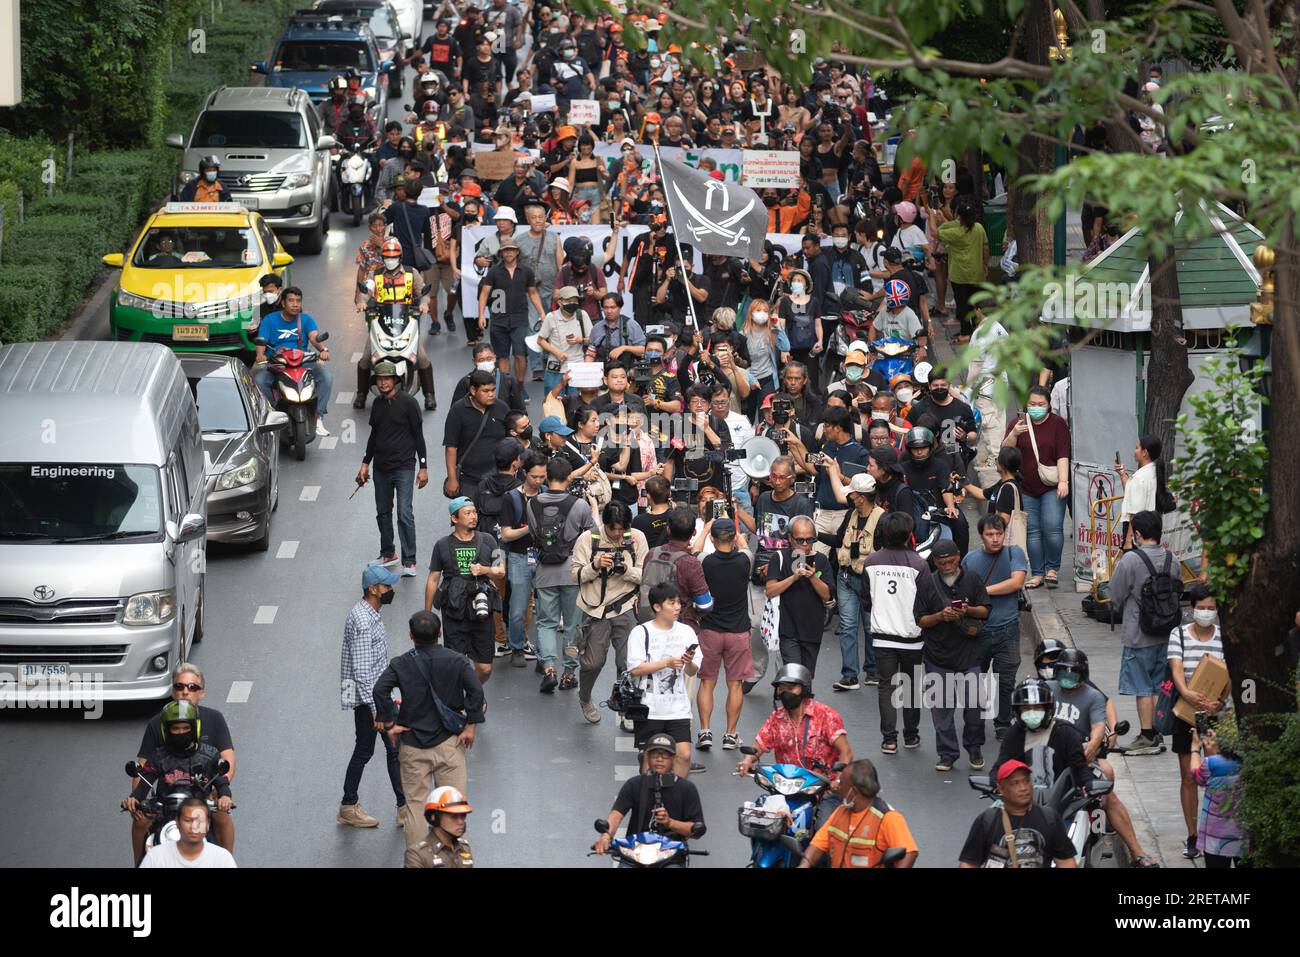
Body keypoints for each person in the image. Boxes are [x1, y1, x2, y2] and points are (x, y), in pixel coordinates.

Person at [373, 611, 486, 850]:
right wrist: (471, 726)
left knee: (415, 806)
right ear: (440, 633)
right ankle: (450, 859)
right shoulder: (457, 661)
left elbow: (380, 690)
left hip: (413, 746)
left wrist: (390, 723)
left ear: (411, 635)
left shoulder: (401, 663)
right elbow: (476, 691)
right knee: (452, 807)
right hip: (450, 745)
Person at [1048, 649, 1160, 867]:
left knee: (1107, 792)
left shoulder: (1093, 697)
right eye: (1063, 672)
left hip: (1079, 760)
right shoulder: (1046, 689)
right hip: (1045, 760)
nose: (1067, 678)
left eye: (1073, 674)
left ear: (1083, 674)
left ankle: (1137, 851)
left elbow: (1098, 728)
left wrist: (1093, 745)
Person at [132, 664, 235, 862]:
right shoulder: (156, 727)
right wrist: (137, 800)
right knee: (140, 820)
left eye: (192, 687)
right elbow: (144, 771)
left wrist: (221, 793)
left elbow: (226, 761)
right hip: (166, 800)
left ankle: (226, 861)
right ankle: (140, 863)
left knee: (223, 817)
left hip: (205, 794)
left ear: (201, 693)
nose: (185, 691)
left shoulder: (214, 721)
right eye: (179, 686)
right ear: (173, 691)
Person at [338, 561, 407, 829]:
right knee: (392, 749)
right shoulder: (364, 621)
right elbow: (363, 670)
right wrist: (377, 708)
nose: (391, 590)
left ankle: (349, 804)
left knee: (367, 749)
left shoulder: (367, 614)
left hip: (374, 697)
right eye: (387, 586)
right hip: (372, 699)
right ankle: (402, 808)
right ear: (373, 589)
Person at [860, 511, 934, 754]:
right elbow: (925, 601)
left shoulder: (871, 562)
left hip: (882, 637)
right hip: (912, 637)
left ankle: (888, 739)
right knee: (911, 687)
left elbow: (866, 600)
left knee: (886, 687)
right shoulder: (919, 564)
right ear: (909, 535)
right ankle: (910, 735)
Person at [1108, 509, 1179, 756]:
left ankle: (1147, 735)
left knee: (1142, 687)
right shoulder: (1173, 559)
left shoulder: (1130, 560)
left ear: (1137, 534)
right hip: (1168, 632)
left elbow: (1115, 594)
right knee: (1161, 685)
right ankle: (1157, 729)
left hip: (1139, 633)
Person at [917, 539, 992, 771]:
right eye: (941, 563)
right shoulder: (927, 584)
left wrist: (966, 610)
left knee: (975, 708)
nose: (947, 566)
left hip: (969, 655)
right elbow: (920, 620)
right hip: (937, 657)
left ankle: (974, 746)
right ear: (935, 562)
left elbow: (985, 611)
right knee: (941, 712)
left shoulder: (972, 579)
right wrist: (940, 616)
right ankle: (947, 754)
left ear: (959, 557)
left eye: (950, 561)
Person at [1168, 583, 1231, 859]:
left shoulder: (1223, 636)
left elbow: (1229, 673)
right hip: (1186, 712)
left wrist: (1220, 702)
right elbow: (1176, 667)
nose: (1206, 613)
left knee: (1217, 774)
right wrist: (1186, 693)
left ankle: (1217, 831)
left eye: (1211, 608)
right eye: (1201, 608)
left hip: (1216, 715)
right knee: (1188, 777)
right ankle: (1193, 835)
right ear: (1191, 609)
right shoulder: (1178, 634)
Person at [573, 501, 650, 723]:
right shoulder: (588, 539)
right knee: (592, 663)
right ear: (605, 524)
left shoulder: (637, 538)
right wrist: (595, 566)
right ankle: (585, 697)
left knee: (627, 662)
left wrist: (626, 570)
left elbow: (644, 574)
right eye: (613, 529)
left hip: (626, 606)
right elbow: (575, 575)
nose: (617, 534)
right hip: (595, 610)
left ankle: (625, 704)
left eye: (622, 529)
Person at [423, 497, 505, 685]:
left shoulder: (489, 540)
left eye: (475, 512)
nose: (473, 516)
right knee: (455, 665)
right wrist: (427, 615)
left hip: (482, 610)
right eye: (467, 513)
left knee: (485, 668)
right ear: (454, 519)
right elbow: (433, 578)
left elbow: (500, 571)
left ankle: (472, 691)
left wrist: (485, 570)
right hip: (454, 609)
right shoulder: (442, 544)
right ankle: (463, 699)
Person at [356, 363, 428, 577]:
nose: (383, 382)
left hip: (404, 466)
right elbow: (374, 436)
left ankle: (410, 560)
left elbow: (418, 436)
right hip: (381, 468)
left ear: (396, 380)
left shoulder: (409, 403)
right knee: (383, 512)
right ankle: (388, 553)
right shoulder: (377, 404)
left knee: (404, 513)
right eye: (379, 379)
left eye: (387, 378)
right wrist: (365, 463)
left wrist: (423, 467)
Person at [960, 514, 1029, 740]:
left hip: (1007, 628)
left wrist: (984, 591)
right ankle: (974, 722)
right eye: (990, 534)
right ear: (982, 536)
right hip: (977, 630)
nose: (995, 539)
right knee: (974, 680)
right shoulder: (970, 559)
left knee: (1006, 680)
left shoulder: (1014, 553)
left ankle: (1002, 722)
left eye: (999, 533)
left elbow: (1016, 582)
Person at [530, 456, 594, 693]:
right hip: (573, 571)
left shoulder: (532, 503)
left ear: (547, 476)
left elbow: (534, 533)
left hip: (544, 571)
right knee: (572, 625)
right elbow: (591, 536)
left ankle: (549, 668)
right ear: (569, 477)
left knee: (545, 623)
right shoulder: (579, 505)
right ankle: (569, 672)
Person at [626, 584, 700, 777]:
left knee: (684, 755)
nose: (677, 607)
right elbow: (636, 668)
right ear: (657, 607)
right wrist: (666, 662)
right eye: (672, 603)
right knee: (649, 759)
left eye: (678, 602)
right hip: (649, 707)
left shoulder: (686, 632)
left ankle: (678, 795)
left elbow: (692, 671)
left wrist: (689, 662)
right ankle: (645, 799)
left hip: (678, 708)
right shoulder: (641, 632)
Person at [820, 473, 885, 691]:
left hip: (870, 582)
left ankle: (872, 670)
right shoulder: (851, 515)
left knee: (869, 626)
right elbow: (839, 540)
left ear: (861, 497)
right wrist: (816, 534)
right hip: (846, 577)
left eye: (853, 495)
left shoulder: (882, 519)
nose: (851, 498)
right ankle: (850, 675)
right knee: (848, 626)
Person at [593, 732, 706, 856]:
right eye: (655, 755)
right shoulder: (634, 784)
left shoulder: (687, 788)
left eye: (665, 756)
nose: (659, 759)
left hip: (671, 854)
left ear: (673, 759)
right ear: (647, 757)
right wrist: (606, 836)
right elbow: (616, 815)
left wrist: (670, 823)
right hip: (635, 851)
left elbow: (695, 829)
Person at [737, 664, 853, 784]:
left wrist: (839, 780)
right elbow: (759, 745)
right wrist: (747, 760)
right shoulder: (777, 717)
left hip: (823, 787)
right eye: (781, 689)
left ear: (805, 689)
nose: (785, 693)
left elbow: (846, 752)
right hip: (787, 785)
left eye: (791, 688)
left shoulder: (826, 716)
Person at [1002, 386, 1070, 589]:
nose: (1036, 408)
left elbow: (1063, 454)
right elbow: (1004, 452)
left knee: (1052, 526)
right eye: (1032, 404)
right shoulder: (1017, 423)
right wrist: (1014, 433)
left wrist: (1064, 482)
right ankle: (1038, 573)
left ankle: (1052, 569)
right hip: (1026, 486)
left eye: (1041, 405)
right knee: (1032, 531)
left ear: (1049, 405)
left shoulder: (1058, 424)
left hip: (1052, 485)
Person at [696, 520, 753, 752]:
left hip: (710, 629)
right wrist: (739, 535)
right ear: (733, 538)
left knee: (707, 682)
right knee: (735, 684)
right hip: (738, 631)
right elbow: (745, 546)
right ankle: (730, 734)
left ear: (713, 539)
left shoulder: (705, 562)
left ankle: (705, 731)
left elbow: (695, 551)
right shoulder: (745, 560)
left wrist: (706, 529)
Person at [798, 760, 919, 868]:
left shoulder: (887, 817)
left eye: (842, 784)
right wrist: (805, 863)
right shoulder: (841, 811)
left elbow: (910, 852)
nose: (838, 787)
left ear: (853, 791)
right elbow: (818, 843)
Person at [957, 759, 1077, 868]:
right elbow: (969, 863)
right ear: (1001, 788)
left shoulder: (1049, 818)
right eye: (1015, 783)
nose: (1023, 788)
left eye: (1026, 781)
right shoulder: (987, 821)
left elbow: (1066, 862)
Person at [253, 286, 333, 437]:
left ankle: (318, 417)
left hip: (302, 362)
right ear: (283, 303)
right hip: (277, 364)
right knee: (259, 380)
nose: (295, 304)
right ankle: (274, 414)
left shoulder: (306, 319)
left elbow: (314, 337)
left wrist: (323, 350)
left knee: (326, 377)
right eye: (291, 301)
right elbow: (261, 342)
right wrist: (260, 355)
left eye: (298, 301)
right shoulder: (270, 320)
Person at [764, 515, 833, 677]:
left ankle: (795, 700)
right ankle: (786, 699)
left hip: (812, 630)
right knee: (794, 676)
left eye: (810, 540)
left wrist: (812, 577)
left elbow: (827, 596)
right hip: (788, 630)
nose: (805, 545)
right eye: (800, 540)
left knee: (806, 679)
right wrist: (794, 577)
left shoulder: (821, 560)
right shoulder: (779, 558)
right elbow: (770, 590)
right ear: (790, 538)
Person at [477, 236, 548, 389]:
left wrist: (542, 313)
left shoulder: (526, 272)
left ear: (517, 252)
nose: (508, 253)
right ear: (501, 253)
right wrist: (482, 315)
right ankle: (506, 387)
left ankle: (520, 387)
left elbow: (533, 293)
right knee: (502, 356)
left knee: (520, 355)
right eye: (505, 250)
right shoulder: (494, 272)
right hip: (498, 319)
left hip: (520, 319)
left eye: (511, 250)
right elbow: (484, 294)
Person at [498, 451, 547, 666]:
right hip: (519, 556)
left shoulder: (547, 494)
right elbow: (506, 534)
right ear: (524, 473)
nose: (538, 481)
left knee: (546, 609)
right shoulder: (512, 498)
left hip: (545, 558)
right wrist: (530, 528)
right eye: (534, 476)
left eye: (542, 477)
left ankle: (544, 652)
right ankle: (517, 646)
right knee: (517, 609)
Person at [442, 369, 510, 501]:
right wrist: (452, 478)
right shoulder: (458, 410)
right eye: (485, 391)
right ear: (473, 390)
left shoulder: (502, 408)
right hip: (469, 480)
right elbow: (451, 447)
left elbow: (510, 440)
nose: (491, 394)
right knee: (468, 519)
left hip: (498, 477)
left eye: (493, 390)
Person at [1190, 724, 1245, 868]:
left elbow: (1196, 776)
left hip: (1216, 837)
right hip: (1244, 834)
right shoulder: (1249, 762)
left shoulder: (1212, 763)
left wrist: (1195, 748)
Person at [935, 196, 989, 340]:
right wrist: (985, 263)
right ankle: (979, 330)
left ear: (960, 217)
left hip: (959, 275)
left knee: (963, 305)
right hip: (977, 273)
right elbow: (985, 247)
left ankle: (966, 333)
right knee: (975, 304)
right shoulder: (979, 227)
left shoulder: (956, 232)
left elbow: (936, 232)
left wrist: (938, 219)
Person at [139, 799, 237, 869]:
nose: (194, 826)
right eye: (188, 820)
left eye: (200, 820)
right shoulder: (156, 856)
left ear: (207, 824)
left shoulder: (223, 858)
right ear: (177, 822)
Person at [1117, 434, 1169, 549]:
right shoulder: (1154, 471)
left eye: (1137, 448)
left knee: (1135, 565)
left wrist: (1128, 541)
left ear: (1145, 452)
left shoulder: (1140, 477)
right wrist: (1122, 474)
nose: (1135, 451)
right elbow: (1132, 492)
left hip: (1137, 534)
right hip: (1151, 530)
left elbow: (1134, 512)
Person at [537, 285, 590, 396]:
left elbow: (592, 340)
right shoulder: (551, 317)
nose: (572, 303)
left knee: (576, 404)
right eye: (569, 300)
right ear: (560, 302)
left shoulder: (582, 315)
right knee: (553, 402)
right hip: (555, 368)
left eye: (575, 300)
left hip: (577, 366)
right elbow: (540, 340)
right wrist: (557, 353)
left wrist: (580, 340)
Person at [406, 786, 475, 868]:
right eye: (454, 816)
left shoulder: (464, 847)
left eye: (463, 815)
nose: (461, 822)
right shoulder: (417, 854)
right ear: (434, 817)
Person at [450, 344, 527, 412]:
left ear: (494, 358)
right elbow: (455, 412)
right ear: (474, 361)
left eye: (489, 359)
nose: (486, 362)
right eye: (481, 360)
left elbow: (519, 409)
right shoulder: (466, 383)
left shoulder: (507, 380)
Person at [631, 475, 672, 548]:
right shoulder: (677, 516)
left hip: (649, 558)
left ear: (648, 496)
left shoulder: (639, 521)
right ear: (669, 493)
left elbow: (629, 542)